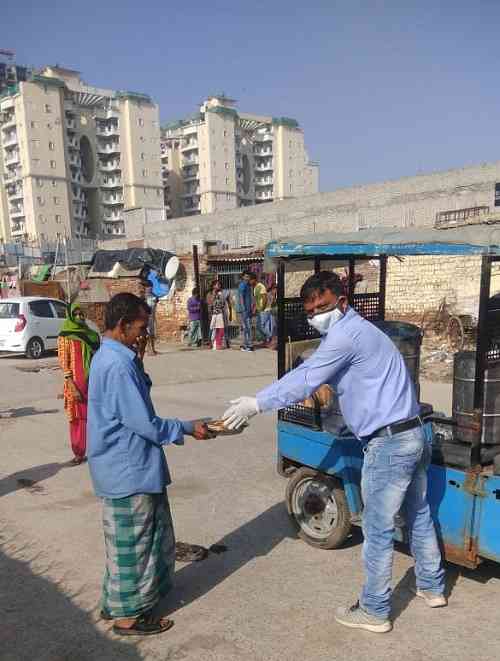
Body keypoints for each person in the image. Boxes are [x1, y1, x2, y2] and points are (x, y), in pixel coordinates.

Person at [223, 271, 445, 634]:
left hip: (389, 442)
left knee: (377, 528)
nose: (316, 315)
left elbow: (306, 378)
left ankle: (374, 610)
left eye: (323, 306)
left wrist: (256, 403)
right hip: (414, 433)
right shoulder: (366, 331)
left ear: (343, 303)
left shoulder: (345, 335)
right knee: (418, 512)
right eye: (311, 310)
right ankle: (431, 587)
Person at [87, 293, 213, 636]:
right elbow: (145, 424)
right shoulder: (116, 365)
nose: (144, 333)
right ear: (123, 325)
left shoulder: (113, 356)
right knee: (134, 546)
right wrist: (187, 427)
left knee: (138, 540)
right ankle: (127, 617)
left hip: (126, 467)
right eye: (140, 327)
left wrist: (138, 359)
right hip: (128, 470)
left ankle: (121, 602)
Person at [58, 303, 100, 465]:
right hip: (75, 384)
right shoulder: (65, 336)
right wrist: (71, 384)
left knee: (95, 418)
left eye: (81, 314)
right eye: (75, 314)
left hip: (93, 382)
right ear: (69, 316)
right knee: (77, 420)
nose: (79, 317)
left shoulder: (91, 335)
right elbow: (64, 362)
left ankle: (97, 450)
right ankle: (79, 453)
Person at [251, 273, 271, 345]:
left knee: (261, 326)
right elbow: (257, 300)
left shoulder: (260, 286)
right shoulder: (255, 287)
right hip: (260, 310)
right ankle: (267, 341)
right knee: (260, 327)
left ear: (254, 279)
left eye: (250, 280)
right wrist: (255, 309)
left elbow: (265, 298)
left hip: (265, 310)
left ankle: (272, 337)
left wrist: (262, 308)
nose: (249, 282)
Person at [207, 280, 227, 350]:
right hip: (212, 314)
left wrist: (220, 296)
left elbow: (223, 303)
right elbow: (209, 303)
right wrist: (214, 295)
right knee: (211, 329)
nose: (218, 286)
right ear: (213, 286)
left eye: (219, 284)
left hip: (220, 313)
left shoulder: (221, 294)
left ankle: (218, 343)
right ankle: (209, 342)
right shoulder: (209, 294)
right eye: (217, 284)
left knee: (221, 329)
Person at [238, 271, 254, 352]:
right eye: (246, 276)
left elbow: (250, 298)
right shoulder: (242, 285)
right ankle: (245, 345)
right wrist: (243, 309)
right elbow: (241, 297)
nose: (248, 278)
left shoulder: (248, 285)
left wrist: (251, 308)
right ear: (243, 277)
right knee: (245, 327)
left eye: (249, 277)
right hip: (243, 310)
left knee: (248, 327)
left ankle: (247, 345)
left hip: (248, 310)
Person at [144, 285, 158, 356]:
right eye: (148, 287)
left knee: (152, 334)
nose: (150, 289)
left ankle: (153, 348)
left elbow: (157, 299)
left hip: (152, 317)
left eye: (151, 288)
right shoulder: (144, 298)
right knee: (148, 334)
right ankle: (149, 349)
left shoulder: (153, 297)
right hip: (147, 318)